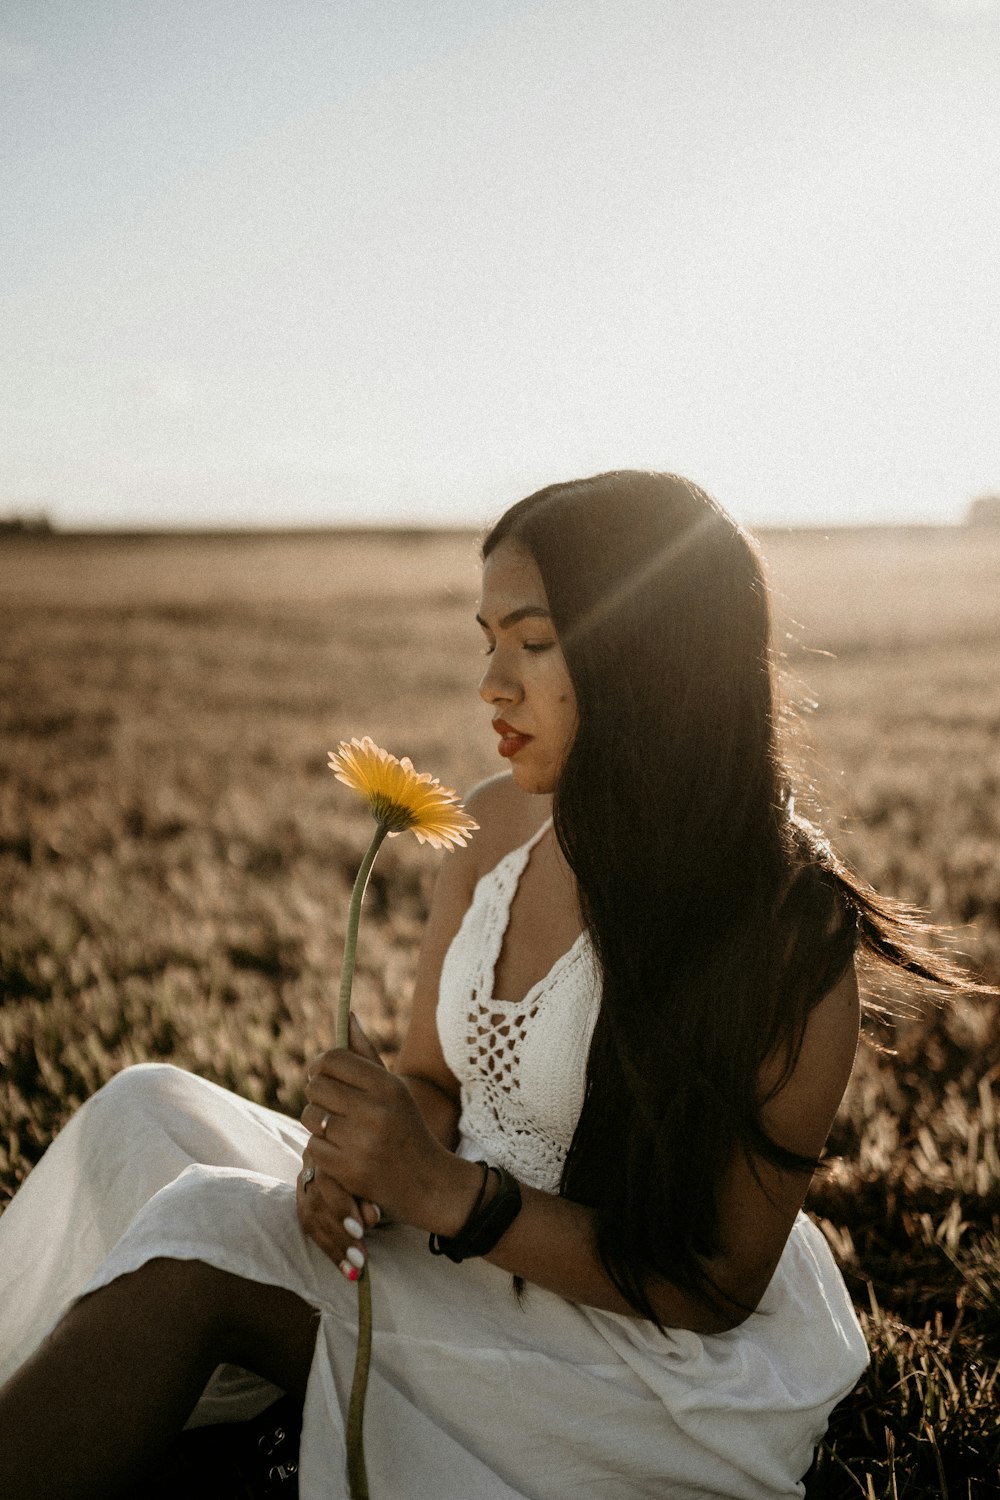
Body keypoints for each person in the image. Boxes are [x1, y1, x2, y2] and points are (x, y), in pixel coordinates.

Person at [0, 471, 963, 1499]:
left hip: (640, 1365)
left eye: (533, 641)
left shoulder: (781, 926)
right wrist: (359, 1168)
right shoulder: (498, 824)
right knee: (142, 1110)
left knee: (205, 1241)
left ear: (649, 650)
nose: (491, 684)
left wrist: (442, 1191)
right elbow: (430, 1078)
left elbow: (711, 1282)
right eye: (485, 638)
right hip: (452, 1230)